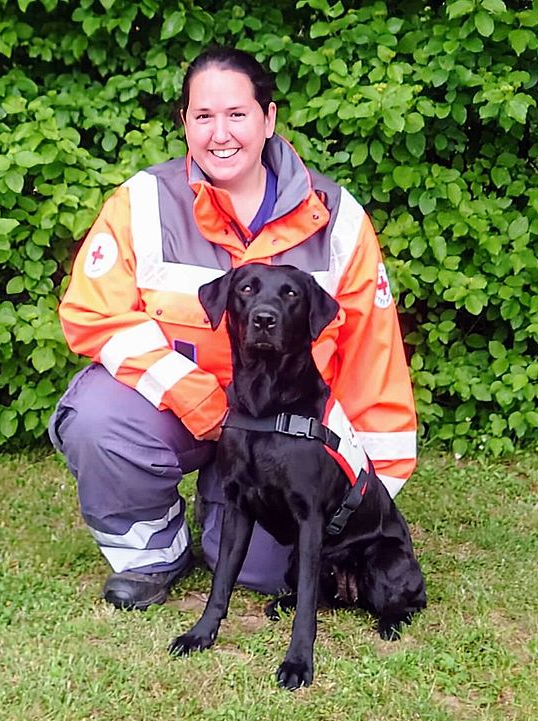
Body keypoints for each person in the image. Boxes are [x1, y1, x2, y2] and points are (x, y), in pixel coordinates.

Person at [48, 46, 418, 611]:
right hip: (178, 412)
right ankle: (152, 554)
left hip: (281, 434)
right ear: (185, 123)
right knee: (98, 419)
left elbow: (374, 357)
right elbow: (93, 314)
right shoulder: (143, 202)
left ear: (268, 118)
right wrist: (197, 397)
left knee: (265, 576)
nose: (221, 134)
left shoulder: (338, 218)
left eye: (238, 115)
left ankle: (224, 510)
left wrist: (368, 496)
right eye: (204, 116)